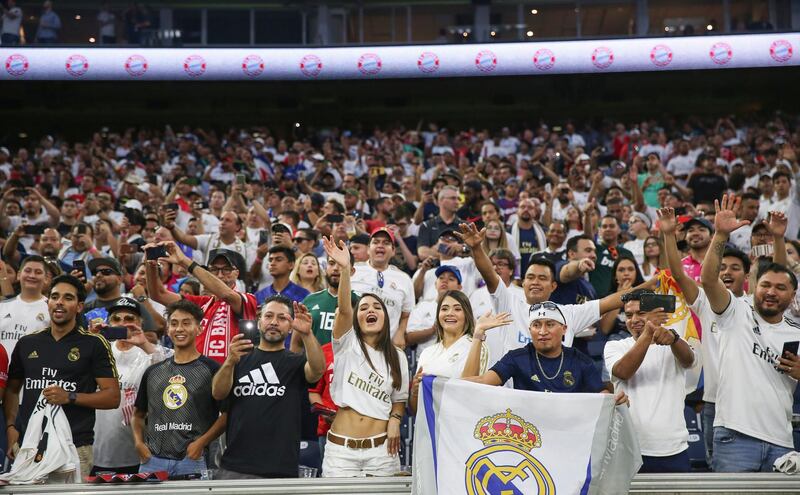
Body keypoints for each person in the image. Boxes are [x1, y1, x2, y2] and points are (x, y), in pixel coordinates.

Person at [702, 194, 798, 472]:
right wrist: (720, 234)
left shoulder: (796, 332)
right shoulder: (736, 311)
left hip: (782, 440)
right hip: (735, 437)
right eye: (765, 285)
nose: (771, 291)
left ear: (793, 297)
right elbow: (708, 280)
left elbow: (780, 271)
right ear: (754, 286)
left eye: (781, 289)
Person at [4, 274, 120, 478]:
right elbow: (12, 390)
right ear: (47, 302)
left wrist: (70, 397)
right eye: (55, 296)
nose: (59, 302)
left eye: (68, 298)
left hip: (74, 445)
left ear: (80, 306)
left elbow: (112, 397)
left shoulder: (94, 343)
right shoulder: (27, 343)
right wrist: (11, 427)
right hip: (29, 444)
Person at [320, 236, 409, 477]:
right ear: (356, 319)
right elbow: (345, 307)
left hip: (382, 451)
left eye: (377, 307)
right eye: (364, 308)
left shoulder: (398, 356)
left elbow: (399, 399)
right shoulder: (345, 343)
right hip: (340, 452)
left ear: (386, 318)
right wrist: (346, 269)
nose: (370, 310)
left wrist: (395, 420)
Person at [211, 296, 325, 479]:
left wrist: (306, 334)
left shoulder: (295, 362)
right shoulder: (238, 358)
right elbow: (218, 393)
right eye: (269, 316)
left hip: (280, 469)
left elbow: (318, 370)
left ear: (290, 327)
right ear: (258, 322)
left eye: (282, 318)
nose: (274, 322)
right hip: (235, 466)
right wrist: (229, 362)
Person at [132, 299, 226, 478]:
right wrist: (138, 443)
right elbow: (137, 415)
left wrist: (201, 443)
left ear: (199, 328)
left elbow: (227, 415)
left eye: (186, 323)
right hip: (152, 461)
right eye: (174, 324)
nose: (179, 329)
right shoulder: (153, 371)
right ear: (168, 330)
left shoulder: (213, 369)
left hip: (192, 460)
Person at [604, 290, 695, 472]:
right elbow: (623, 371)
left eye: (641, 313)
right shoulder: (615, 346)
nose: (634, 319)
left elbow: (689, 360)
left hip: (674, 448)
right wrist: (649, 331)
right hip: (629, 448)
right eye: (629, 315)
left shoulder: (675, 342)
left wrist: (674, 338)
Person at [463, 304, 626, 404]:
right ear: (529, 330)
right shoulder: (517, 357)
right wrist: (439, 384)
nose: (542, 331)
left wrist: (614, 401)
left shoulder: (581, 361)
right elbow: (483, 381)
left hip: (567, 436)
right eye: (536, 325)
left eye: (550, 324)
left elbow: (601, 397)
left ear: (564, 329)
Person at [91, 297, 171, 475]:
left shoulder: (149, 353)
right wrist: (91, 341)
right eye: (117, 319)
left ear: (140, 323)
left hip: (137, 450)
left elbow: (169, 375)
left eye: (129, 319)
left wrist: (143, 343)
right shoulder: (99, 351)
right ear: (108, 323)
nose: (123, 324)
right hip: (99, 449)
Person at [145, 243, 258, 364]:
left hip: (231, 377)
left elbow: (226, 295)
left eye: (226, 269)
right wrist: (150, 264)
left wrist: (184, 261)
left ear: (237, 273)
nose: (220, 275)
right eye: (214, 269)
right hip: (198, 376)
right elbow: (158, 294)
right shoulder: (200, 303)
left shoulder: (248, 299)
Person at [408, 290, 510, 414]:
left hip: (458, 425)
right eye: (444, 309)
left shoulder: (477, 346)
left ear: (466, 315)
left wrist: (478, 335)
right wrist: (414, 392)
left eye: (457, 309)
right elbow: (415, 411)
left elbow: (468, 391)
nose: (450, 313)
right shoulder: (427, 353)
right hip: (428, 428)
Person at [350, 228, 413, 349]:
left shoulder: (404, 279)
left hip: (387, 348)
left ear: (393, 251)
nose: (380, 246)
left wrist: (400, 333)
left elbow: (406, 314)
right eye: (376, 242)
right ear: (368, 249)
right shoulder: (353, 271)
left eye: (386, 243)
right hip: (354, 344)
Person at [0, 255, 50, 358]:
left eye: (38, 272)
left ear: (46, 278)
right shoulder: (3, 306)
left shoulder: (52, 309)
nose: (32, 275)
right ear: (19, 275)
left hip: (33, 371)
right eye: (27, 271)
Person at [590, 215, 633, 298]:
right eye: (604, 226)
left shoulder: (627, 253)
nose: (608, 229)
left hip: (619, 300)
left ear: (619, 229)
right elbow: (587, 236)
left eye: (612, 226)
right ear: (599, 231)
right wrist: (587, 215)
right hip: (595, 301)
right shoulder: (593, 250)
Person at [417, 186, 463, 260]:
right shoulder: (427, 225)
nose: (457, 202)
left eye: (459, 199)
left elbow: (474, 252)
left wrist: (438, 248)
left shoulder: (465, 225)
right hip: (434, 270)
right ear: (441, 200)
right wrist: (454, 251)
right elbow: (422, 253)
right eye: (453, 198)